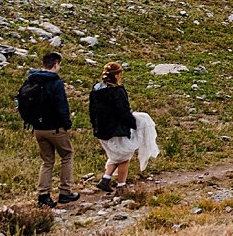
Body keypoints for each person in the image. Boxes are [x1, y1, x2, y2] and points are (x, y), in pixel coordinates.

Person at [17, 51, 78, 207]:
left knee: (47, 161)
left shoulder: (31, 79)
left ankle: (43, 195)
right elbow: (62, 106)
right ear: (56, 64)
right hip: (55, 127)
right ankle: (65, 192)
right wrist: (67, 124)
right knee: (67, 155)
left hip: (38, 128)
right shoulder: (55, 82)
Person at [90, 62, 158, 191]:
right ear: (118, 75)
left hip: (102, 129)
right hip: (117, 129)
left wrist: (95, 126)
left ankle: (106, 179)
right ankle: (121, 186)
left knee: (116, 156)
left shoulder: (96, 89)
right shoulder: (118, 91)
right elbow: (123, 111)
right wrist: (133, 123)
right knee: (124, 157)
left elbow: (92, 110)